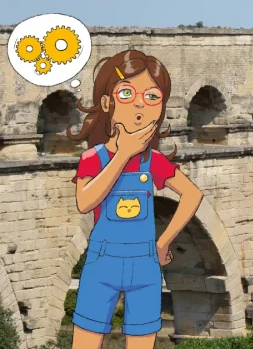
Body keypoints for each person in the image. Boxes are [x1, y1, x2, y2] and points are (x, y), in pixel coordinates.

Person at [67, 50, 204, 349]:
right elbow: (85, 201)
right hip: (102, 264)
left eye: (153, 97)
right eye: (127, 93)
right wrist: (124, 154)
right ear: (107, 103)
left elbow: (193, 194)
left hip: (145, 265)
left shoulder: (154, 161)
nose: (141, 104)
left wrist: (163, 241)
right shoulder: (93, 158)